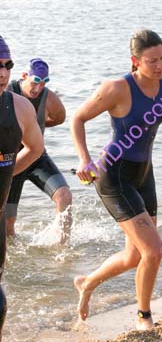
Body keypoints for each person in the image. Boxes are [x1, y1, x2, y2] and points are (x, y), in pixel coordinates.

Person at [70, 29, 162, 330]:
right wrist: (83, 159)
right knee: (153, 250)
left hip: (144, 172)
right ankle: (144, 316)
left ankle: (87, 283)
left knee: (134, 256)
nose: (159, 66)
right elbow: (77, 119)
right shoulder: (117, 88)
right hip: (113, 174)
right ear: (135, 61)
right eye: (152, 61)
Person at [0, 36, 44, 340]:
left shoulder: (20, 107)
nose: (3, 72)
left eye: (7, 65)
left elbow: (35, 148)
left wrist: (6, 173)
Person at [5, 58, 72, 244]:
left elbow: (60, 118)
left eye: (43, 84)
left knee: (64, 196)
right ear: (24, 76)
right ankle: (13, 255)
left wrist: (34, 128)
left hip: (37, 157)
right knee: (7, 223)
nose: (38, 89)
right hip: (12, 160)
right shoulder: (7, 93)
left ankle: (62, 251)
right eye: (35, 83)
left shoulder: (49, 98)